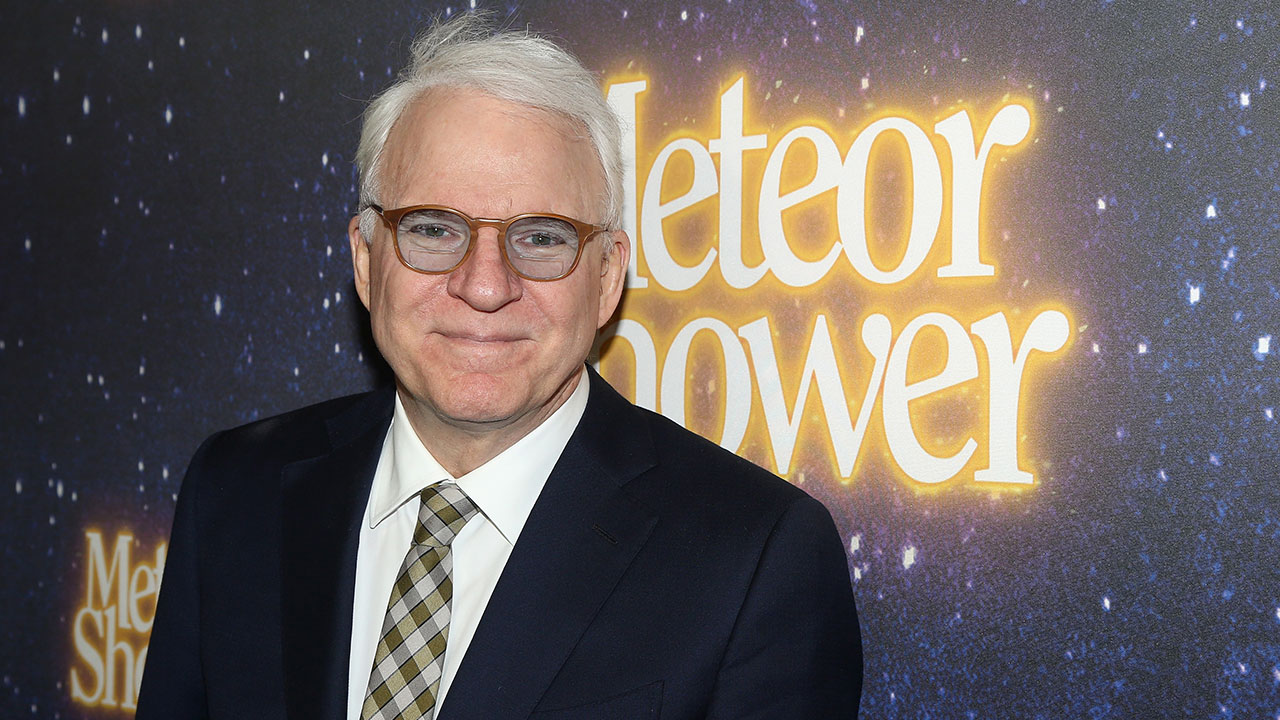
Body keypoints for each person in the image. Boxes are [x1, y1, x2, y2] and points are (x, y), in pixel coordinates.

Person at [136, 13, 861, 720]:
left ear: (608, 276)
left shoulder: (755, 562)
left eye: (541, 237)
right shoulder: (235, 491)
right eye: (432, 228)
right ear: (365, 259)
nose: (485, 286)